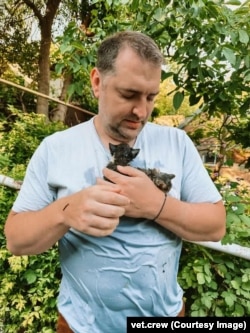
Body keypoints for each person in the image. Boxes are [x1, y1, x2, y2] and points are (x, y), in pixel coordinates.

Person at [4, 31, 226, 332]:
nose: (142, 111)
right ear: (97, 82)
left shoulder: (178, 143)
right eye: (129, 94)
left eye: (151, 97)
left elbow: (215, 225)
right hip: (80, 325)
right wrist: (65, 212)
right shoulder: (56, 148)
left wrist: (156, 206)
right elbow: (16, 240)